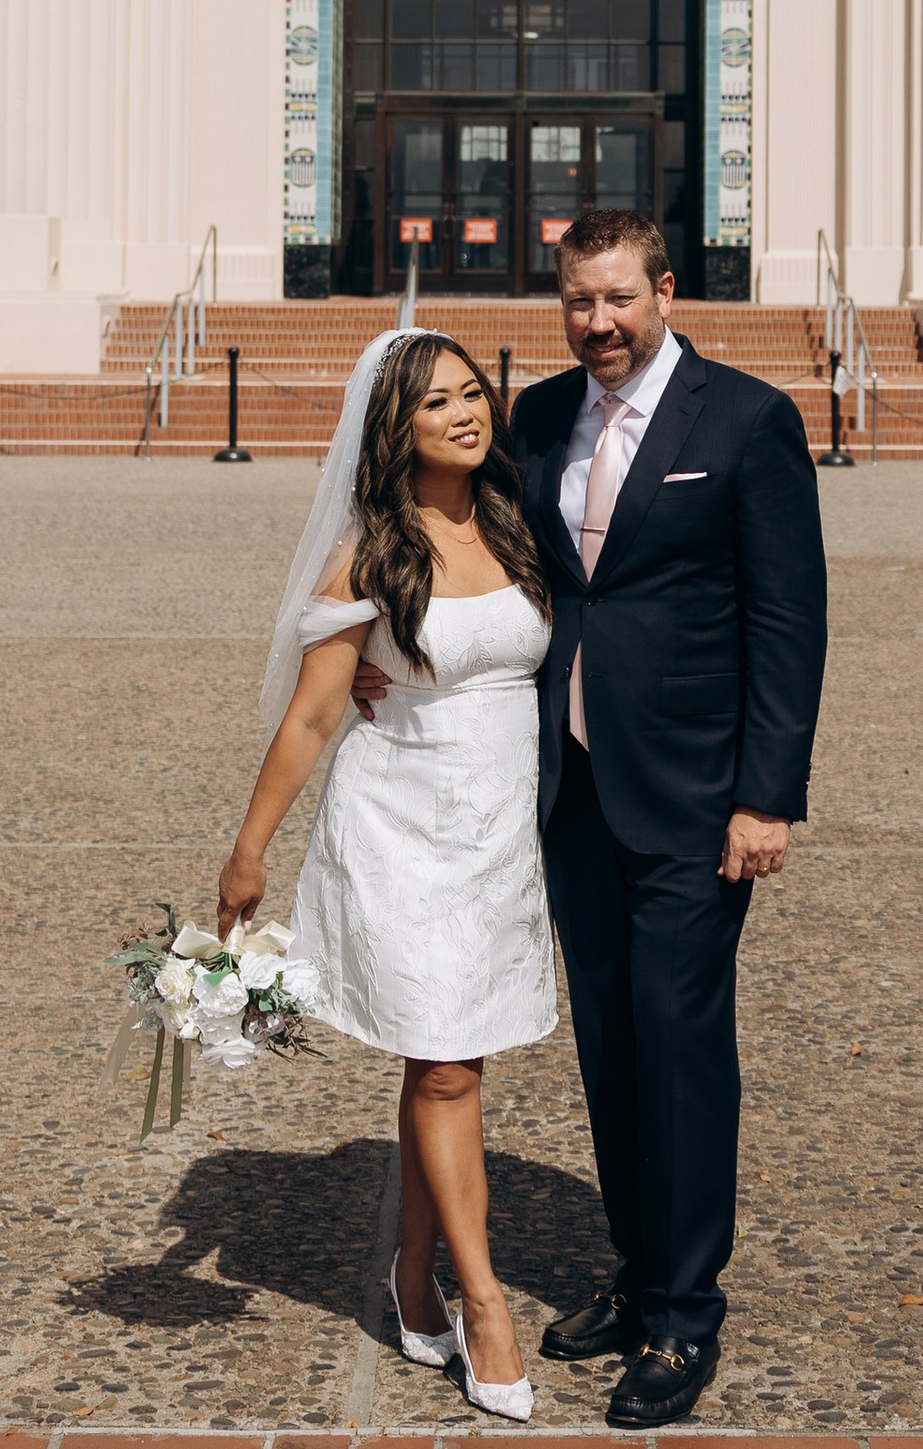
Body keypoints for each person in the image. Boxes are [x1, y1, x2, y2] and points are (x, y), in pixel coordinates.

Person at [502, 210, 827, 1428]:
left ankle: (688, 1314)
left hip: (698, 797)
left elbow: (789, 621)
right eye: (579, 302)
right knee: (608, 1041)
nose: (598, 323)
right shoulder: (537, 416)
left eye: (619, 300)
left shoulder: (745, 419)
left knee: (679, 1045)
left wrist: (766, 796)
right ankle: (637, 1280)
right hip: (572, 788)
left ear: (665, 293)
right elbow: (504, 571)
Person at [220, 328, 555, 1421]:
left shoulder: (511, 520)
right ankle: (482, 1300)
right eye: (434, 404)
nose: (463, 413)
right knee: (449, 1065)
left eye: (471, 393)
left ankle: (410, 1277)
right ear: (394, 428)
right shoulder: (373, 553)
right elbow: (317, 710)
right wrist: (248, 853)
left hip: (498, 834)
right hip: (401, 830)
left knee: (450, 1060)